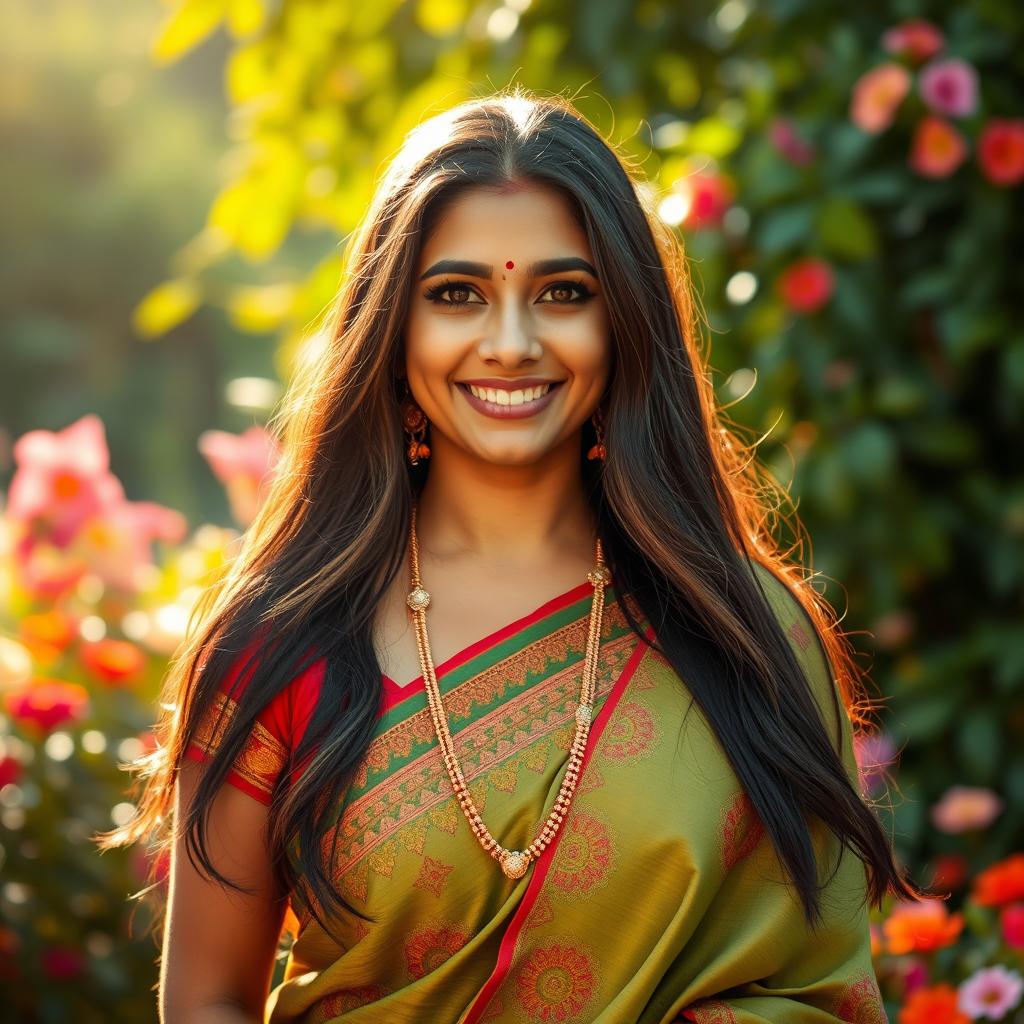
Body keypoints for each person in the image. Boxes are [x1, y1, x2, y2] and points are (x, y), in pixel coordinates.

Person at [99, 88, 925, 1023]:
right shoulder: (279, 642)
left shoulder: (747, 634)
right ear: (392, 324)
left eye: (563, 294)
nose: (510, 343)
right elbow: (207, 1001)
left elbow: (818, 992)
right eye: (457, 295)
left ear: (625, 325)